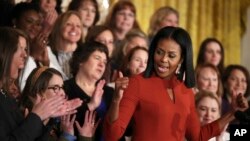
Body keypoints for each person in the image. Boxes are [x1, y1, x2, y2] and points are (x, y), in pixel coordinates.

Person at [103, 26, 249, 141]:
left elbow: (197, 137)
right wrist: (116, 99)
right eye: (159, 52)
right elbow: (112, 136)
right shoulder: (138, 83)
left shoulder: (186, 90)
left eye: (171, 56)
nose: (163, 59)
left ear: (182, 59)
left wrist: (231, 112)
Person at [0, 27, 79, 141]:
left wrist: (43, 118)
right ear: (4, 52)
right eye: (20, 49)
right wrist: (37, 117)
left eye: (25, 49)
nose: (25, 55)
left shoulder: (6, 96)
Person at [64, 42, 114, 141]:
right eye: (97, 58)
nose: (101, 64)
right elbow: (65, 124)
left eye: (104, 62)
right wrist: (91, 105)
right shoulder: (65, 88)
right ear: (81, 60)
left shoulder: (109, 92)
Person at [49, 11, 83, 79]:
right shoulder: (48, 52)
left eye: (78, 26)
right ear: (59, 27)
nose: (74, 29)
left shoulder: (85, 55)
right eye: (69, 24)